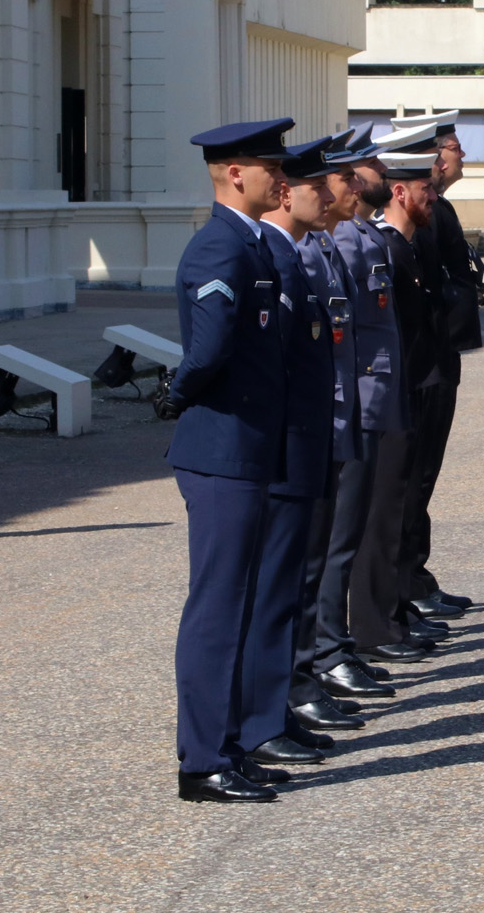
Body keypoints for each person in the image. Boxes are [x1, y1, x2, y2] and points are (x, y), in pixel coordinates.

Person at [160, 117, 295, 804]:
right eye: (272, 166)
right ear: (235, 174)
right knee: (218, 606)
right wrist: (175, 392)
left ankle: (230, 744)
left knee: (239, 603)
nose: (283, 177)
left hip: (248, 444)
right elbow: (208, 349)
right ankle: (203, 760)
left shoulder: (251, 243)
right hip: (222, 448)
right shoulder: (220, 245)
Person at [237, 134, 341, 773]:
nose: (325, 196)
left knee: (287, 585)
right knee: (274, 588)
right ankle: (262, 717)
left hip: (302, 440)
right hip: (280, 445)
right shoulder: (270, 254)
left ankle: (274, 710)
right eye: (314, 186)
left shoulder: (293, 253)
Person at [314, 125, 411, 702]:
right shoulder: (338, 242)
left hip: (366, 397)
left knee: (346, 534)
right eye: (346, 176)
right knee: (334, 540)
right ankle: (326, 649)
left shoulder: (349, 237)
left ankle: (334, 644)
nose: (354, 186)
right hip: (347, 403)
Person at [288, 124, 376, 732]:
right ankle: (305, 670)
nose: (335, 192)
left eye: (336, 180)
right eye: (327, 182)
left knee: (326, 548)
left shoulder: (321, 246)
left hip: (338, 412)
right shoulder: (299, 251)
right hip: (314, 421)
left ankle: (317, 660)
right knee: (305, 559)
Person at [349, 122, 446, 662]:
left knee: (399, 509)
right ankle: (374, 625)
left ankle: (393, 612)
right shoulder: (380, 247)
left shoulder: (396, 247)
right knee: (380, 515)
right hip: (384, 398)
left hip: (403, 394)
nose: (433, 194)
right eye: (425, 187)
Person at [403, 112, 477, 623]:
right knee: (411, 479)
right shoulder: (418, 216)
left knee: (423, 478)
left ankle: (415, 576)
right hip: (421, 362)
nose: (460, 154)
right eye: (453, 146)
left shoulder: (439, 209)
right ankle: (406, 584)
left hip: (439, 357)